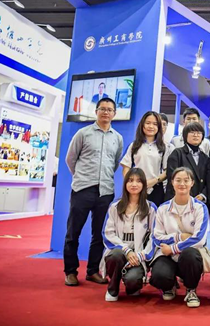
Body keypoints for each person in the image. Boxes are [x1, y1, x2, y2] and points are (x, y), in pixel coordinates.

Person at [64, 98, 124, 286]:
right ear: (96, 111)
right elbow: (70, 159)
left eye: (109, 110)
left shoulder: (117, 138)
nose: (106, 112)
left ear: (114, 113)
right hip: (82, 189)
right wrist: (81, 177)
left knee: (99, 234)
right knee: (73, 232)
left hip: (105, 191)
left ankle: (92, 271)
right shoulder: (83, 133)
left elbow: (115, 163)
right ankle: (70, 271)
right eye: (102, 109)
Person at [149, 167, 209, 306]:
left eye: (186, 180)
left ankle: (191, 289)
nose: (182, 184)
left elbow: (199, 239)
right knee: (159, 275)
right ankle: (169, 285)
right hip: (166, 255)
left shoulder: (200, 208)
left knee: (190, 255)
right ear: (172, 182)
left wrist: (173, 248)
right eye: (178, 180)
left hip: (186, 254)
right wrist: (179, 237)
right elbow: (157, 237)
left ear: (192, 183)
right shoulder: (163, 208)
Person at [100, 168, 156, 302]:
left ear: (144, 184)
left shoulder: (151, 208)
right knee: (115, 255)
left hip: (138, 255)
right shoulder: (115, 207)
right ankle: (112, 288)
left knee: (133, 281)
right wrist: (126, 250)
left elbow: (154, 237)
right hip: (119, 250)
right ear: (125, 184)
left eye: (138, 181)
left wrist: (140, 256)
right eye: (130, 181)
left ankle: (133, 285)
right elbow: (108, 234)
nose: (134, 184)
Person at [120, 111, 170, 208]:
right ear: (142, 125)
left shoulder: (164, 147)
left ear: (159, 127)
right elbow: (126, 167)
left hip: (156, 188)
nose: (151, 126)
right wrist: (132, 182)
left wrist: (153, 181)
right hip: (136, 189)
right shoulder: (134, 145)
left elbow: (166, 171)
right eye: (148, 123)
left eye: (155, 124)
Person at [165, 122, 208, 202]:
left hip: (199, 201)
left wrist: (203, 195)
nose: (196, 135)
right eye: (192, 132)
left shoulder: (205, 157)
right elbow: (172, 177)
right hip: (178, 198)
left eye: (199, 133)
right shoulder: (177, 153)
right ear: (185, 135)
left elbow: (209, 180)